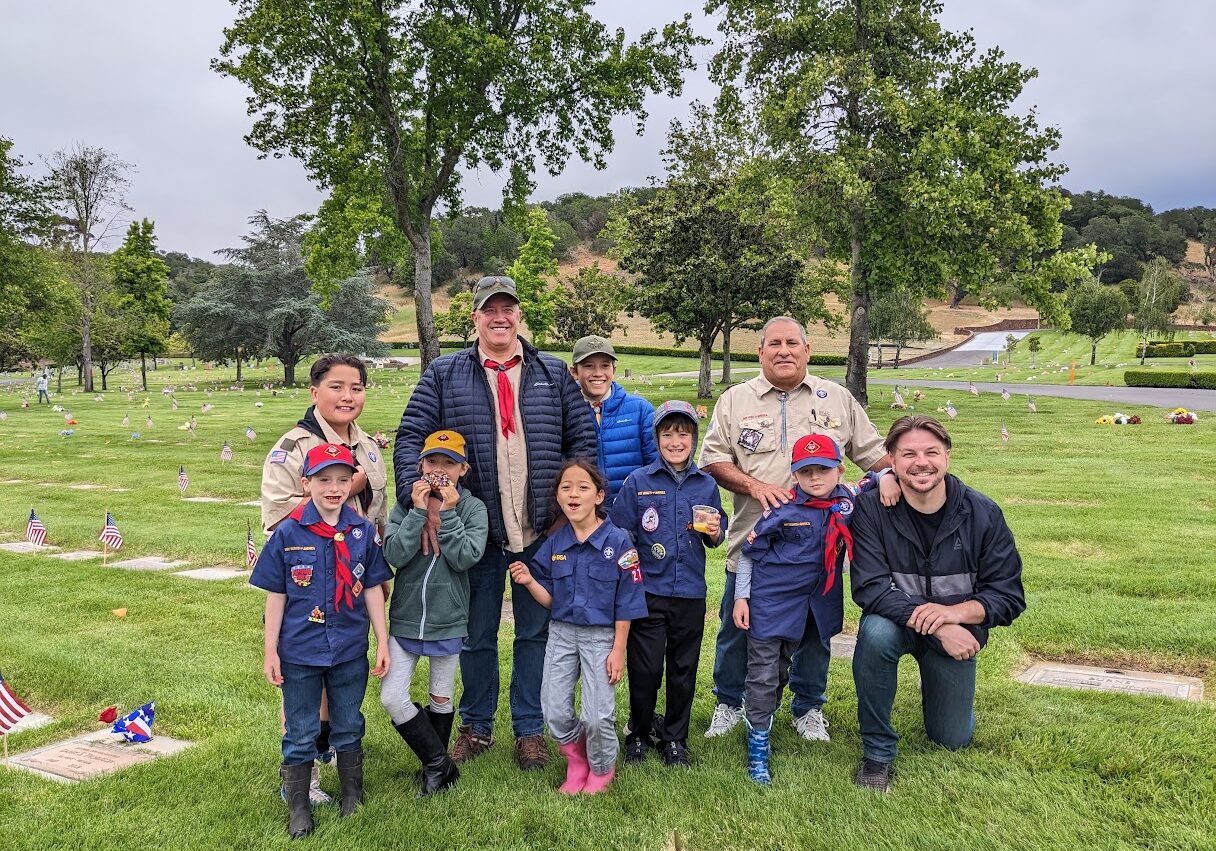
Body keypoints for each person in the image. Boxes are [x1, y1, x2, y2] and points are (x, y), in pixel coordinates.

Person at [394, 275, 597, 771]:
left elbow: (584, 445)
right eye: (490, 310)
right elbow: (408, 439)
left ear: (518, 315)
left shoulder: (552, 373)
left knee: (535, 634)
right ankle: (477, 725)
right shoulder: (444, 374)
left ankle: (528, 729)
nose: (500, 317)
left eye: (508, 308)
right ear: (476, 317)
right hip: (476, 532)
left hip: (542, 531)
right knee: (477, 634)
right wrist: (415, 494)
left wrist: (572, 511)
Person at [699, 316, 897, 740]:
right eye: (774, 343)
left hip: (818, 550)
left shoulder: (837, 399)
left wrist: (897, 477)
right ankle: (729, 702)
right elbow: (712, 458)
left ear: (807, 350)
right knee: (738, 624)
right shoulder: (735, 400)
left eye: (792, 343)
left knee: (815, 629)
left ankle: (808, 707)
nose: (783, 350)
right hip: (756, 540)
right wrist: (755, 486)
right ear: (760, 352)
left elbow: (875, 456)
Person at [849, 415, 1026, 792]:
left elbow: (1008, 596)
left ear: (947, 456)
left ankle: (944, 698)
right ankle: (877, 753)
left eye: (931, 451)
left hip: (957, 630)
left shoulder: (983, 512)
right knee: (875, 634)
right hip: (897, 622)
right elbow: (870, 588)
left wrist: (955, 615)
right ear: (891, 463)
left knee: (951, 738)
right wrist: (940, 623)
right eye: (908, 454)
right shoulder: (871, 510)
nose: (921, 462)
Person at [261, 352, 390, 805]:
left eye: (356, 387)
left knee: (342, 676)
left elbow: (379, 517)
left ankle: (336, 751)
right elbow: (278, 519)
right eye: (336, 386)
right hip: (306, 590)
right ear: (315, 392)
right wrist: (343, 488)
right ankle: (302, 779)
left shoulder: (369, 448)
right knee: (303, 685)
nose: (347, 396)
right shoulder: (292, 448)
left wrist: (379, 575)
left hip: (355, 588)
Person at [250, 443, 392, 838]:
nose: (334, 488)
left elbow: (372, 589)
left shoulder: (362, 532)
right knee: (300, 730)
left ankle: (352, 794)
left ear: (353, 483)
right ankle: (298, 807)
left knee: (349, 722)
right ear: (305, 482)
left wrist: (382, 641)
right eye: (324, 479)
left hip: (348, 649)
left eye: (343, 480)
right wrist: (270, 652)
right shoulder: (288, 533)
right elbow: (275, 596)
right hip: (299, 652)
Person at [731, 434, 883, 784]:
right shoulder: (781, 510)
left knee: (788, 670)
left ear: (839, 471)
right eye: (806, 471)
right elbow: (749, 555)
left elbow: (871, 480)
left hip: (817, 604)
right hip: (771, 603)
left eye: (824, 470)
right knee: (765, 674)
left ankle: (786, 712)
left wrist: (885, 477)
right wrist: (742, 598)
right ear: (794, 475)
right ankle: (758, 743)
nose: (815, 478)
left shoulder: (846, 500)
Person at [508, 460, 648, 795]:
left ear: (599, 496)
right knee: (553, 710)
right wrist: (528, 581)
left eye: (583, 487)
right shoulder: (555, 544)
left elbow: (628, 601)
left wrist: (618, 650)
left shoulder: (620, 544)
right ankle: (577, 759)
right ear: (557, 496)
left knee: (598, 715)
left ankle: (601, 767)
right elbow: (551, 601)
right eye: (566, 487)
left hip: (602, 638)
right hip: (561, 634)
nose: (574, 494)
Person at [609, 400, 725, 768]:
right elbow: (622, 534)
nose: (676, 441)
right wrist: (627, 580)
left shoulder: (706, 484)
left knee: (683, 669)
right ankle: (639, 734)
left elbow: (715, 535)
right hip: (649, 593)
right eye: (668, 433)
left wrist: (716, 531)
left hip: (690, 593)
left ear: (694, 438)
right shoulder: (639, 481)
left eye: (684, 433)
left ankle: (675, 738)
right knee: (645, 670)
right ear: (656, 438)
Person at [380, 430, 488, 798]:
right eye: (432, 462)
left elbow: (465, 557)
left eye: (449, 463)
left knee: (441, 695)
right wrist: (415, 512)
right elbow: (393, 554)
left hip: (449, 617)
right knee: (392, 696)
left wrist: (452, 512)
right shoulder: (406, 503)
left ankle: (433, 769)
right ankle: (440, 763)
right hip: (406, 616)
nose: (439, 469)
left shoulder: (473, 508)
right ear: (421, 465)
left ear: (463, 469)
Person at [569, 334, 657, 500]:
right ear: (574, 371)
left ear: (614, 370)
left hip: (631, 514)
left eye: (605, 366)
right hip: (583, 516)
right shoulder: (565, 410)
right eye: (588, 366)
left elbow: (655, 466)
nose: (598, 373)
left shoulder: (640, 410)